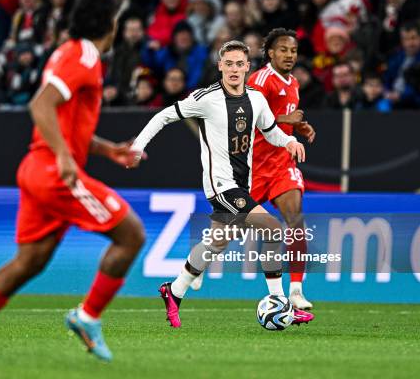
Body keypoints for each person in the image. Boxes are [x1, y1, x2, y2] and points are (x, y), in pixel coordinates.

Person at [0, 0, 146, 365]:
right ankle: (87, 317)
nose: (119, 25)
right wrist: (66, 158)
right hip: (54, 172)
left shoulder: (70, 53)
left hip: (38, 167)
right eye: (117, 18)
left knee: (30, 261)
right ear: (108, 22)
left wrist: (106, 149)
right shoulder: (84, 56)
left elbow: (66, 121)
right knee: (131, 234)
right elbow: (41, 106)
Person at [129, 40, 314, 328]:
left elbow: (270, 130)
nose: (234, 69)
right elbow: (165, 115)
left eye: (240, 64)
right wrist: (138, 146)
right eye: (228, 63)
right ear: (220, 66)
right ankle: (281, 303)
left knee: (218, 241)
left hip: (244, 184)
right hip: (221, 185)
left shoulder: (255, 98)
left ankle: (174, 291)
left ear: (247, 67)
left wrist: (289, 140)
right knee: (274, 229)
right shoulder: (206, 98)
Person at [245, 28, 316, 309]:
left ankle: (296, 290)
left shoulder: (294, 82)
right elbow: (247, 116)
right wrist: (288, 118)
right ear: (271, 53)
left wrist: (298, 125)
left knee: (295, 220)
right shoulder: (260, 80)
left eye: (294, 50)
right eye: (283, 50)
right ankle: (197, 268)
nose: (289, 55)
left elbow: (285, 120)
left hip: (281, 164)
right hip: (254, 167)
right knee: (227, 228)